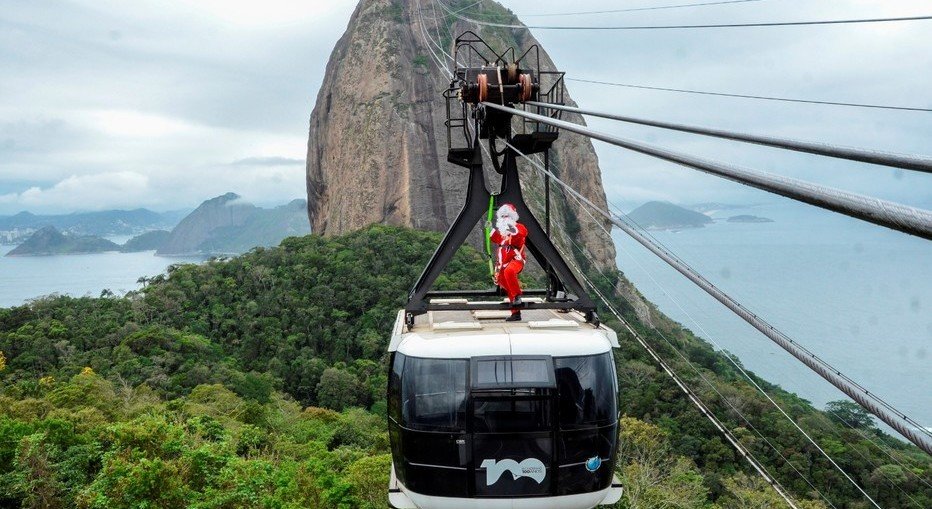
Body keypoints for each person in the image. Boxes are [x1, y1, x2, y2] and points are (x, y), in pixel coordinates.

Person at [489, 203, 527, 321]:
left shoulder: (518, 227)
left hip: (516, 261)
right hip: (503, 264)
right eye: (503, 217)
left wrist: (511, 228)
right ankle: (516, 313)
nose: (505, 219)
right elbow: (496, 238)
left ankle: (517, 295)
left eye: (507, 216)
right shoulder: (503, 235)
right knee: (504, 281)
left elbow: (521, 234)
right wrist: (489, 229)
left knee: (510, 271)